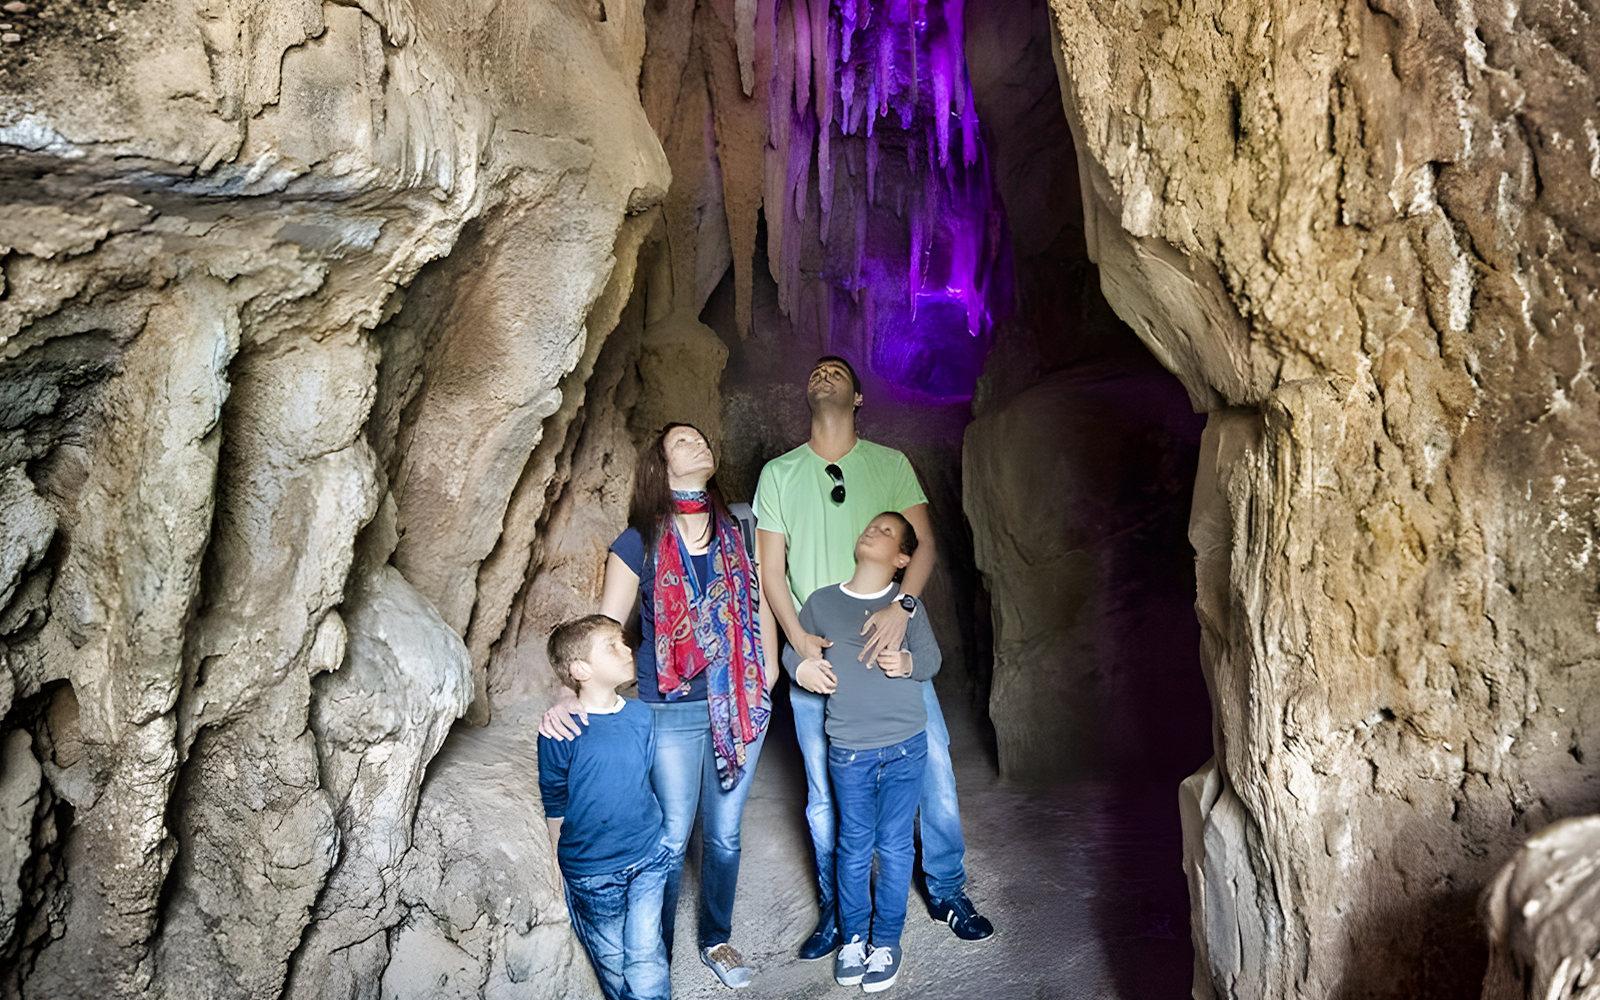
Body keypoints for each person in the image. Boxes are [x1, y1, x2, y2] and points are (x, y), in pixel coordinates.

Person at [754, 355, 993, 961]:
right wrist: (795, 641)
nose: (823, 375)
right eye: (815, 371)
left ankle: (946, 889)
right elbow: (771, 571)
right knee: (823, 790)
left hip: (889, 643)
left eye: (838, 371)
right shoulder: (779, 473)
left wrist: (904, 608)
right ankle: (841, 910)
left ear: (859, 397)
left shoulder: (889, 465)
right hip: (822, 652)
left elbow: (925, 544)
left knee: (933, 760)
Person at [541, 423, 776, 991]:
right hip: (668, 708)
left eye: (701, 438)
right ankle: (655, 952)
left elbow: (760, 599)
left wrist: (765, 670)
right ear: (661, 467)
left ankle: (715, 937)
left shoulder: (739, 530)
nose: (699, 443)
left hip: (738, 703)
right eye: (682, 442)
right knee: (670, 838)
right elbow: (605, 629)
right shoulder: (638, 541)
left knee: (724, 836)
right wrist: (570, 695)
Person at [786, 512, 941, 993]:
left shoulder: (907, 605)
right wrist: (801, 668)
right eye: (872, 524)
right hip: (850, 748)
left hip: (906, 745)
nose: (875, 529)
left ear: (901, 559)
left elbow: (932, 660)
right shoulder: (821, 601)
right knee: (853, 847)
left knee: (894, 846)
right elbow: (797, 648)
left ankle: (887, 940)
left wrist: (909, 662)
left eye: (889, 531)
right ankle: (854, 937)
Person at [538, 614, 673, 1000]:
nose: (626, 649)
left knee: (646, 952)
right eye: (611, 646)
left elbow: (644, 777)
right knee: (613, 958)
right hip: (593, 872)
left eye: (623, 641)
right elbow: (555, 799)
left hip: (648, 856)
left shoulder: (640, 715)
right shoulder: (558, 731)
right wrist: (557, 866)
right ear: (580, 669)